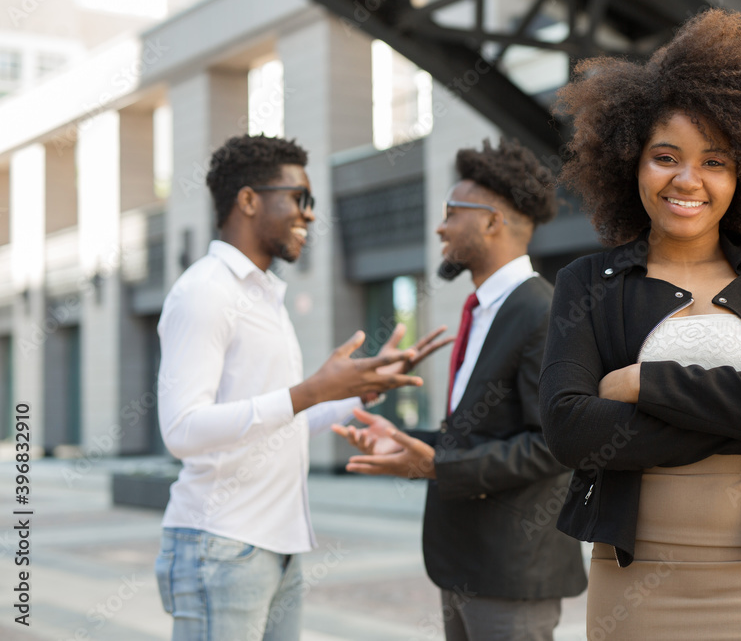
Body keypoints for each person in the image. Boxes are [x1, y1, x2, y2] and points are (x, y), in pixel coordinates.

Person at [538, 9, 741, 638]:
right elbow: (572, 431)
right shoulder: (586, 285)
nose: (688, 180)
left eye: (716, 161)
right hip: (635, 580)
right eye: (665, 156)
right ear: (630, 162)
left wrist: (648, 384)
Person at [153, 134, 450, 641]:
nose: (310, 215)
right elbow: (181, 430)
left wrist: (359, 389)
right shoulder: (204, 292)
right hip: (221, 545)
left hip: (277, 548)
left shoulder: (265, 296)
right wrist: (310, 392)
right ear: (248, 200)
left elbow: (280, 421)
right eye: (299, 198)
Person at [334, 138, 588, 641]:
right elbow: (478, 431)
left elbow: (555, 445)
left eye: (452, 213)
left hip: (513, 574)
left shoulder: (544, 312)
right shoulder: (483, 311)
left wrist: (435, 465)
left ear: (492, 221)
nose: (440, 226)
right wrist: (409, 439)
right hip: (464, 565)